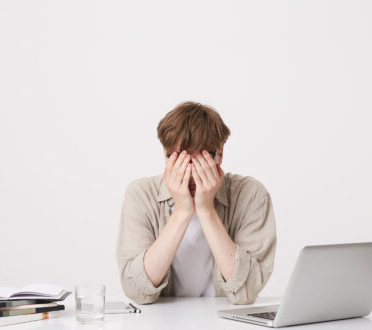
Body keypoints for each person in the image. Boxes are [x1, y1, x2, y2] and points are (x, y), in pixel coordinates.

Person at [116, 101, 276, 305]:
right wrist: (182, 211)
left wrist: (206, 209)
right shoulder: (140, 194)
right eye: (181, 161)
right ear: (165, 156)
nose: (191, 173)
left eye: (200, 160)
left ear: (220, 155)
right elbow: (136, 291)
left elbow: (246, 291)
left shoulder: (251, 195)